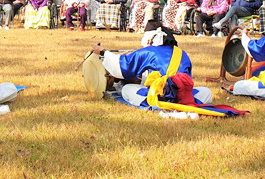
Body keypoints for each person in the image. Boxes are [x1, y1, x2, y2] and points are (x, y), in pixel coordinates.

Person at [91, 21, 244, 117]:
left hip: (162, 95)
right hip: (184, 96)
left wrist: (103, 52)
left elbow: (121, 67)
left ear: (151, 38)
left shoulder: (148, 51)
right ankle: (181, 107)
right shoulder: (182, 53)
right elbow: (187, 80)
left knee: (126, 90)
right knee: (206, 92)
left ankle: (166, 108)